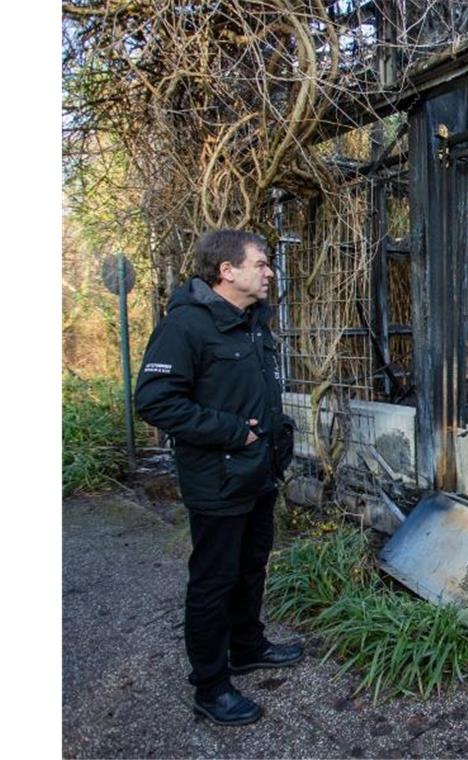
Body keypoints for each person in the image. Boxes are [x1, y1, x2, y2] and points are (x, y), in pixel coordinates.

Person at [135, 229, 301, 726]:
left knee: (252, 567)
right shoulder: (186, 326)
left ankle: (247, 646)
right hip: (218, 480)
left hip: (259, 474)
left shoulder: (253, 323)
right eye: (261, 263)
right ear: (227, 271)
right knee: (213, 581)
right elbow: (155, 400)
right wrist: (233, 432)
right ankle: (210, 686)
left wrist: (278, 435)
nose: (269, 271)